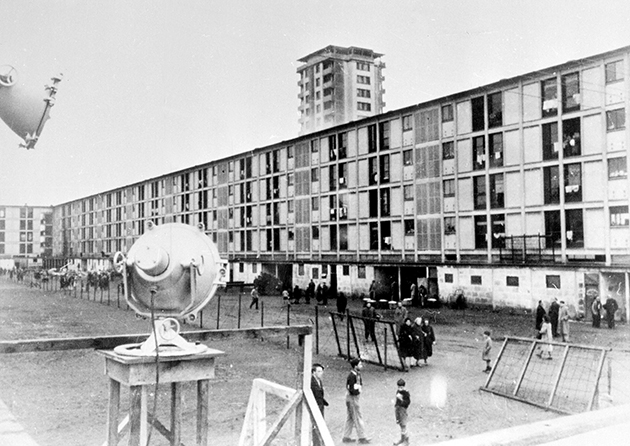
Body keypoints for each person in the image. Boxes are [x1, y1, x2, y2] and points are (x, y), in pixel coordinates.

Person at [343, 358, 371, 444]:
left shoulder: (356, 374)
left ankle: (346, 436)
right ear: (355, 366)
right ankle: (362, 437)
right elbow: (351, 389)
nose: (361, 366)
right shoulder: (352, 376)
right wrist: (358, 391)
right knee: (357, 417)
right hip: (352, 398)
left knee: (350, 417)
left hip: (351, 398)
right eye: (360, 365)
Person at [311, 363, 329, 446]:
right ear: (314, 372)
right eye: (319, 371)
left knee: (320, 424)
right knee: (316, 425)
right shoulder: (311, 382)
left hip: (320, 406)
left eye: (321, 371)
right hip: (316, 406)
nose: (321, 373)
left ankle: (319, 442)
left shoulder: (319, 381)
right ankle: (317, 443)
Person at [393, 378, 411, 446]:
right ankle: (402, 439)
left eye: (401, 387)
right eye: (399, 387)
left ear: (404, 386)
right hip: (398, 409)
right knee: (400, 424)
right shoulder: (398, 391)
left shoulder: (406, 393)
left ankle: (406, 441)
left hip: (403, 410)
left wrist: (402, 400)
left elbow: (407, 402)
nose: (400, 388)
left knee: (404, 425)